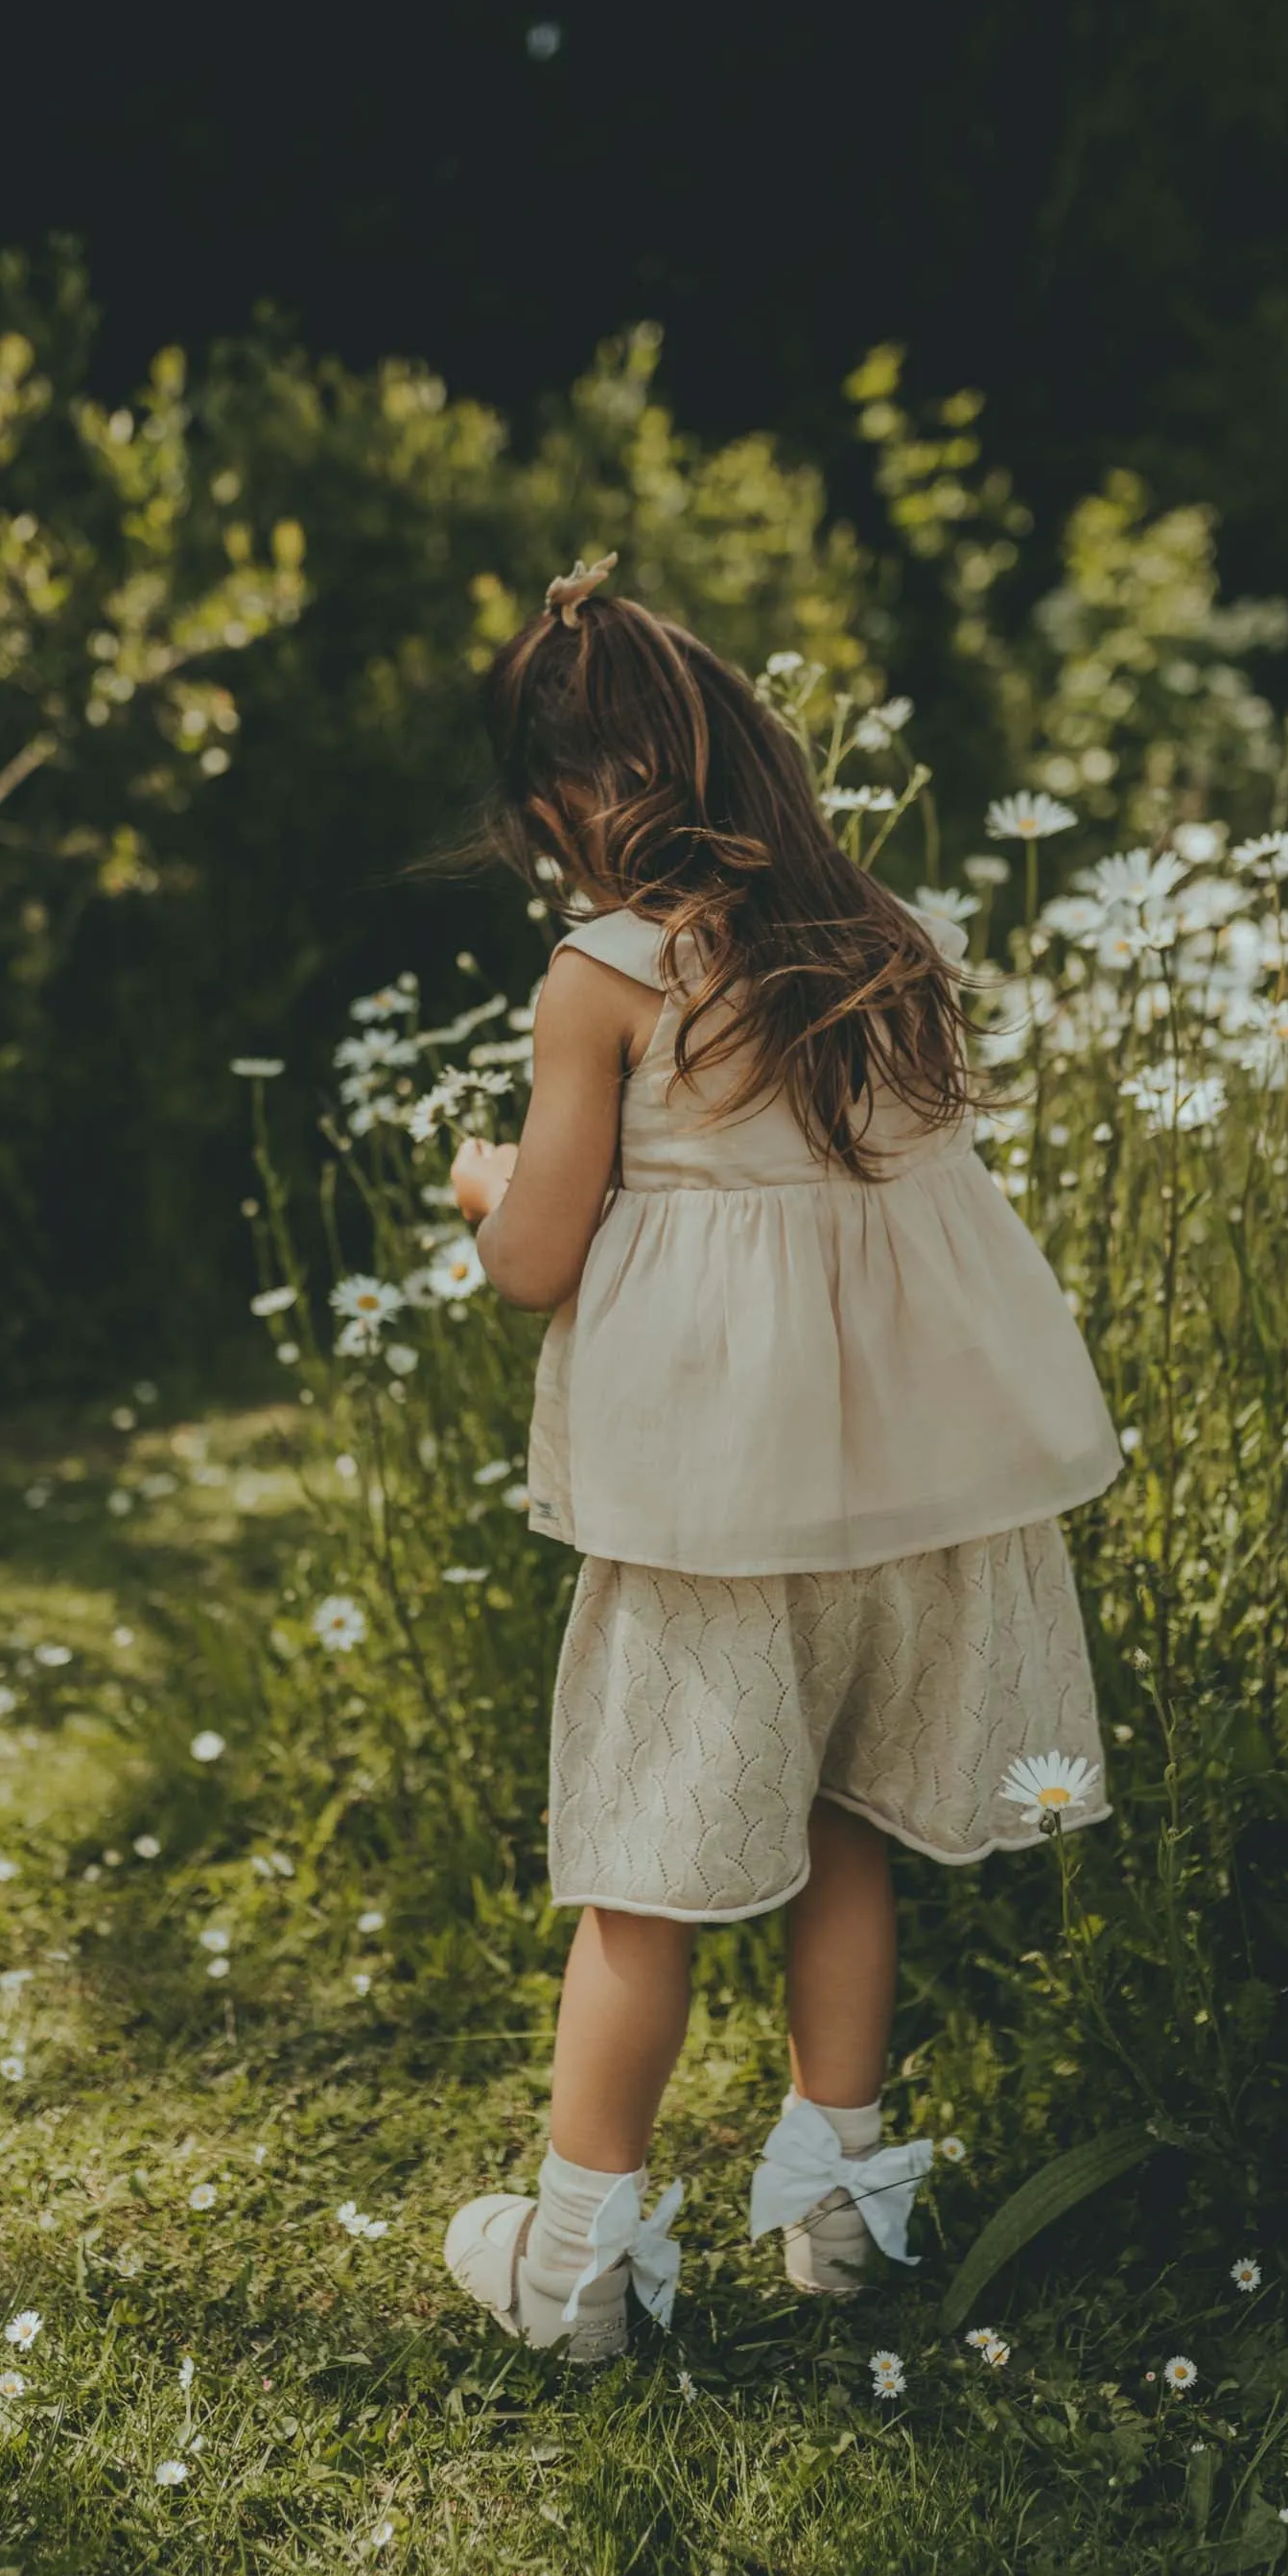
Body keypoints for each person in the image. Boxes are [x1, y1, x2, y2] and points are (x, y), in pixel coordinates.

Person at [438, 553, 1124, 2362]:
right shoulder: (888, 944)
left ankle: (577, 2260)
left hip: (711, 1516)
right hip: (901, 1501)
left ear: (560, 811)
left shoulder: (603, 976)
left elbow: (535, 1265)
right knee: (840, 1825)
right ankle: (838, 2207)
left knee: (640, 1871)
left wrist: (483, 1192)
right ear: (753, 760)